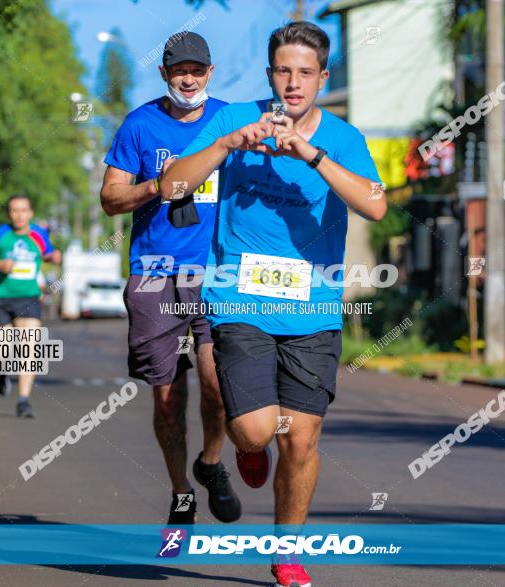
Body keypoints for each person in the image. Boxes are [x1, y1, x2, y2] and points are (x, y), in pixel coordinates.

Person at [161, 21, 386, 587]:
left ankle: (289, 553)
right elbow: (171, 186)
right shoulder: (236, 119)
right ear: (270, 75)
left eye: (305, 73)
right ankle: (246, 447)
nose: (293, 82)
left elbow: (376, 206)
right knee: (259, 432)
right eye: (283, 71)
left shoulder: (343, 137)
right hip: (240, 299)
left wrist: (310, 155)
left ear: (322, 77)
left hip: (313, 310)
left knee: (303, 438)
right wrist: (225, 144)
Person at [100, 31, 243, 526]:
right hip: (155, 273)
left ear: (210, 72)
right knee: (167, 395)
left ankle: (209, 463)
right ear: (163, 73)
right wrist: (159, 186)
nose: (188, 78)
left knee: (218, 384)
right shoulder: (139, 125)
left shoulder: (231, 121)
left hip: (217, 273)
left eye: (197, 70)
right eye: (179, 70)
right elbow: (110, 198)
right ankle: (181, 490)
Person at [0, 194, 62, 418]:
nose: (19, 214)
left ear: (30, 213)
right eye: (14, 210)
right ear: (9, 214)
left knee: (28, 349)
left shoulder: (38, 234)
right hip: (0, 298)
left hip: (28, 297)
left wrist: (55, 257)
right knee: (2, 350)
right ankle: (1, 372)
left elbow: (48, 254)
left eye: (23, 210)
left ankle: (23, 400)